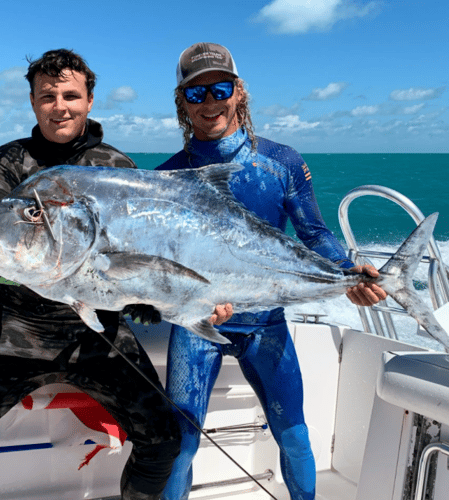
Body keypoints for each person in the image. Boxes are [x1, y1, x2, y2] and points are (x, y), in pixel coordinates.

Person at [0, 49, 180, 500]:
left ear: (88, 101)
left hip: (98, 334)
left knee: (164, 440)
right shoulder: (6, 164)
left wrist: (143, 294)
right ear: (32, 101)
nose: (59, 105)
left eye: (70, 95)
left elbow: (141, 251)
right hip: (18, 328)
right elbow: (9, 257)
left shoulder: (118, 169)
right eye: (48, 96)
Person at [156, 42, 387, 500]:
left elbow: (314, 233)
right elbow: (163, 262)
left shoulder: (281, 163)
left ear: (238, 91)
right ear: (182, 102)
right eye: (195, 94)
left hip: (267, 323)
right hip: (198, 324)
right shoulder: (168, 178)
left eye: (219, 88)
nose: (209, 103)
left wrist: (346, 272)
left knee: (294, 433)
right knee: (179, 445)